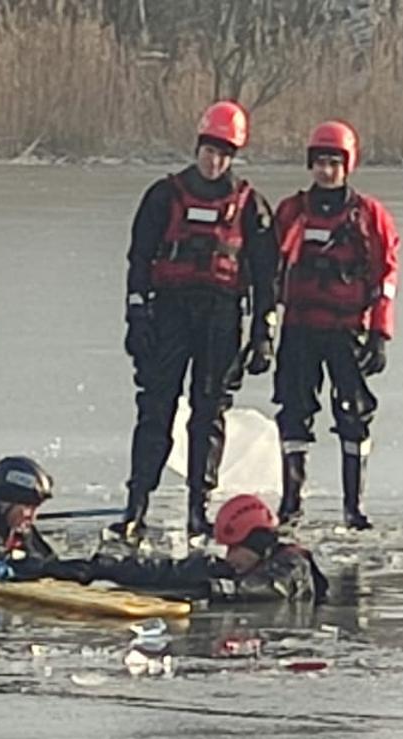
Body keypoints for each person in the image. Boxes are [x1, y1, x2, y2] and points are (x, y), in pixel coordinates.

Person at [116, 100, 280, 541]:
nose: (215, 161)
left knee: (209, 413)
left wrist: (263, 333)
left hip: (221, 316)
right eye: (210, 151)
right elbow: (139, 259)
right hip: (169, 312)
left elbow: (267, 276)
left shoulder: (251, 205)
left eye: (224, 154)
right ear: (197, 148)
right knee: (156, 408)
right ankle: (136, 504)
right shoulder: (163, 196)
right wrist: (136, 314)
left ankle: (197, 507)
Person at [270, 120, 401, 530]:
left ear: (347, 166)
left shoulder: (369, 216)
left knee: (353, 414)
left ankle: (353, 507)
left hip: (347, 330)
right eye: (320, 163)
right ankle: (291, 504)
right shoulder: (291, 212)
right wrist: (262, 328)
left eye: (333, 163)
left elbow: (386, 275)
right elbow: (269, 268)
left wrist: (379, 333)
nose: (326, 171)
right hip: (299, 327)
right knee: (294, 411)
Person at [47, 494, 327, 603]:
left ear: (257, 543)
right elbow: (167, 571)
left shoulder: (293, 565)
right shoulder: (234, 568)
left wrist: (207, 589)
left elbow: (268, 589)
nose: (229, 556)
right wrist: (105, 567)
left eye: (234, 548)